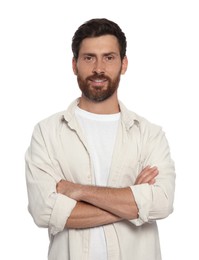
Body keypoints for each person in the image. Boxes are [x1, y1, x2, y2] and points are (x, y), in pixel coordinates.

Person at [25, 18, 175, 260]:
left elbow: (162, 203)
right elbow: (44, 211)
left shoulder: (149, 134)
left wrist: (77, 191)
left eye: (109, 57)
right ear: (74, 65)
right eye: (88, 57)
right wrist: (134, 202)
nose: (98, 68)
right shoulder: (47, 132)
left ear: (123, 64)